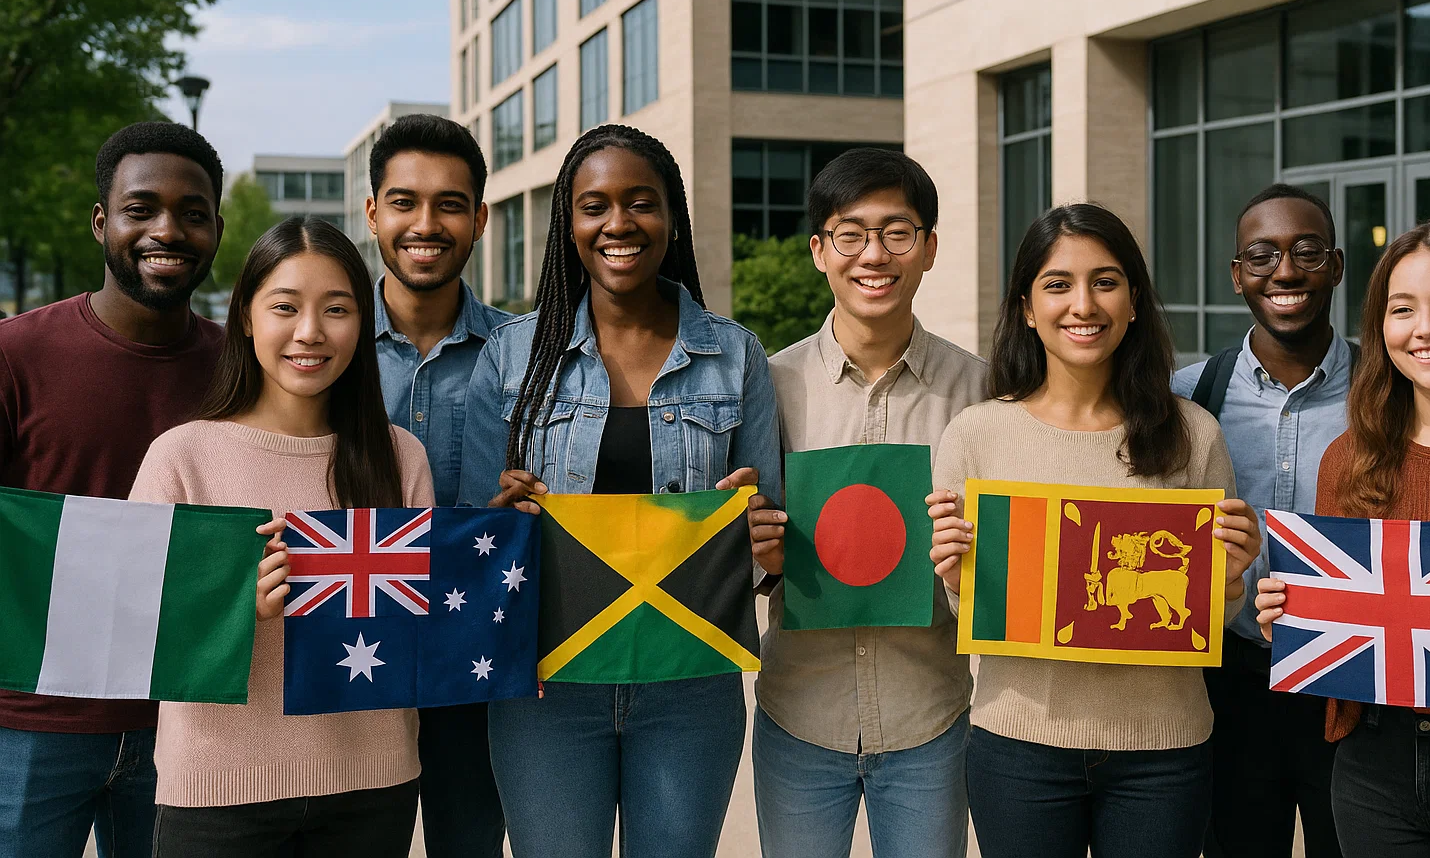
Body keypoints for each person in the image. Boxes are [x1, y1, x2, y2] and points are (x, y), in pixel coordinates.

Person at [457, 124, 782, 858]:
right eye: (594, 205)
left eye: (642, 203)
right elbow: (474, 539)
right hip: (546, 685)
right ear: (567, 224)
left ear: (672, 219)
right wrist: (495, 523)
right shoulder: (512, 356)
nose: (618, 224)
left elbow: (770, 551)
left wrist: (762, 540)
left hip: (690, 683)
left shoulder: (735, 354)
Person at [927, 203, 1261, 858]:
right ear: (1026, 306)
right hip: (1018, 746)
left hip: (1163, 751)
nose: (1084, 304)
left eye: (1105, 281)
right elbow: (970, 613)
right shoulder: (976, 434)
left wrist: (1231, 576)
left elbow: (1212, 619)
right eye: (1058, 284)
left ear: (1134, 301)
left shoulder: (1194, 433)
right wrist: (953, 570)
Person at [132, 216, 433, 857]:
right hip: (216, 789)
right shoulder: (181, 457)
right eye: (285, 307)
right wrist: (236, 611)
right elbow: (130, 632)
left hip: (372, 785)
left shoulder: (401, 457)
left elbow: (426, 628)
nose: (310, 333)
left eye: (337, 309)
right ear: (245, 317)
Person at [1255, 221, 1430, 858]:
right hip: (1370, 769)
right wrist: (1292, 620)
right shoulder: (1346, 460)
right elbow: (1334, 630)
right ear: (1382, 328)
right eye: (1402, 309)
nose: (1426, 328)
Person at [748, 148, 984, 858]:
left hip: (932, 721)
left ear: (930, 248)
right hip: (799, 717)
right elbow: (737, 561)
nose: (873, 255)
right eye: (850, 234)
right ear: (820, 250)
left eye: (897, 233)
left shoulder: (984, 394)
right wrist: (755, 554)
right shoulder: (766, 386)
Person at [0, 121, 225, 858]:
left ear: (217, 230)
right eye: (142, 208)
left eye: (193, 213)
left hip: (188, 720)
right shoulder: (16, 354)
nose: (168, 229)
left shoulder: (245, 371)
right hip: (30, 725)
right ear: (102, 222)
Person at [1170, 183, 1347, 858]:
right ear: (1237, 274)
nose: (1285, 270)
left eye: (1306, 250)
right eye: (1262, 254)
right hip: (1231, 687)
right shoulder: (1187, 397)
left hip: (1351, 695)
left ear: (1334, 265)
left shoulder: (1387, 393)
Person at [365, 113, 511, 857]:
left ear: (481, 218)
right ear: (372, 214)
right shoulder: (321, 348)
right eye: (404, 201)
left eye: (450, 203)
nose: (426, 223)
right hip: (353, 656)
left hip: (477, 666)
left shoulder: (527, 357)